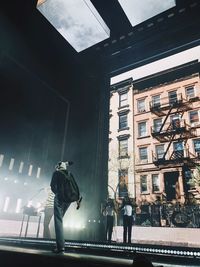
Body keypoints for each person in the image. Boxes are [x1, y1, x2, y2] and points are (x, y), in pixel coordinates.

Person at [50, 161, 82, 254]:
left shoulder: (56, 173)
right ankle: (60, 244)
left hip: (59, 199)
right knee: (60, 220)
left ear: (59, 167)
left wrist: (58, 194)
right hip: (68, 201)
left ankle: (60, 247)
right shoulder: (69, 174)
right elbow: (75, 187)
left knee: (58, 221)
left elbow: (52, 186)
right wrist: (77, 200)